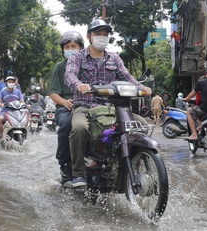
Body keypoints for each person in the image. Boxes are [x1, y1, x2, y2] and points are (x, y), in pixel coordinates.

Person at [65, 19, 152, 188]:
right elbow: (69, 76)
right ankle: (78, 174)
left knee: (141, 124)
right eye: (98, 34)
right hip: (85, 106)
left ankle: (134, 166)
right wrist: (79, 85)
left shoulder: (114, 58)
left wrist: (142, 88)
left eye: (105, 34)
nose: (102, 37)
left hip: (112, 108)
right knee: (79, 128)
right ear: (89, 36)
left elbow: (128, 77)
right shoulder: (77, 56)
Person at [48, 30, 84, 187]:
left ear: (81, 48)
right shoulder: (59, 67)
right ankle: (64, 164)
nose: (71, 49)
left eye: (74, 46)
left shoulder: (87, 65)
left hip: (87, 104)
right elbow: (53, 93)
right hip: (66, 106)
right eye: (68, 47)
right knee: (66, 125)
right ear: (63, 50)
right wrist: (64, 102)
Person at [0, 76, 25, 141]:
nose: (11, 83)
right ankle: (2, 136)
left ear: (15, 83)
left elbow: (22, 101)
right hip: (5, 111)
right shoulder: (2, 91)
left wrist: (23, 104)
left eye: (12, 82)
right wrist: (0, 104)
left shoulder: (18, 91)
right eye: (9, 82)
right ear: (6, 83)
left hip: (16, 111)